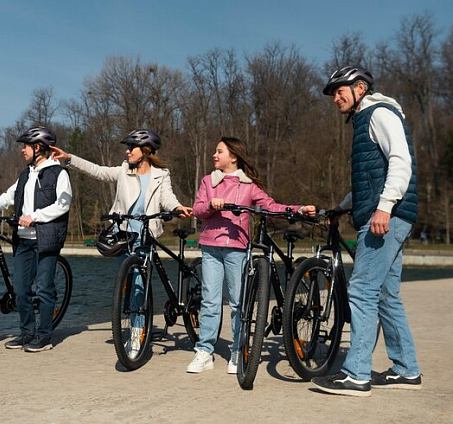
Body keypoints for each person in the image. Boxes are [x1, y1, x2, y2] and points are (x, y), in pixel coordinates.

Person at [311, 66, 421, 396]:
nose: (335, 97)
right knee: (387, 296)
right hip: (387, 213)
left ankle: (356, 374)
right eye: (332, 93)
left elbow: (401, 162)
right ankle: (406, 369)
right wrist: (344, 206)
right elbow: (370, 178)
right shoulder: (365, 120)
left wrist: (385, 206)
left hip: (385, 217)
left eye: (339, 90)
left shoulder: (378, 113)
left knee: (361, 291)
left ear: (360, 87)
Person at [50, 129, 192, 357]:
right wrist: (69, 159)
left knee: (139, 287)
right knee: (128, 285)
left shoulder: (161, 174)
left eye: (131, 148)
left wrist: (176, 208)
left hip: (146, 236)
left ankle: (136, 336)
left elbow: (167, 197)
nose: (127, 152)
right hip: (125, 235)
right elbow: (98, 171)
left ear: (145, 151)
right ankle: (132, 324)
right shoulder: (124, 171)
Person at [189, 137, 315, 374]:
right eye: (215, 151)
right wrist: (211, 206)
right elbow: (197, 210)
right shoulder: (208, 181)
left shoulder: (248, 186)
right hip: (210, 247)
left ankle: (238, 349)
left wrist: (297, 209)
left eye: (219, 151)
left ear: (233, 157)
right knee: (210, 300)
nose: (214, 155)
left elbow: (270, 206)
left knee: (239, 303)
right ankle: (204, 351)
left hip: (237, 248)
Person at [0, 126, 72, 352]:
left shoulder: (58, 173)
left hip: (46, 239)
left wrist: (35, 217)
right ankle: (26, 333)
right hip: (23, 240)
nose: (22, 150)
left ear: (38, 147)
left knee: (43, 288)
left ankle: (44, 337)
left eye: (25, 146)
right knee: (21, 290)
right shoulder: (25, 175)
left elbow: (63, 204)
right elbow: (7, 197)